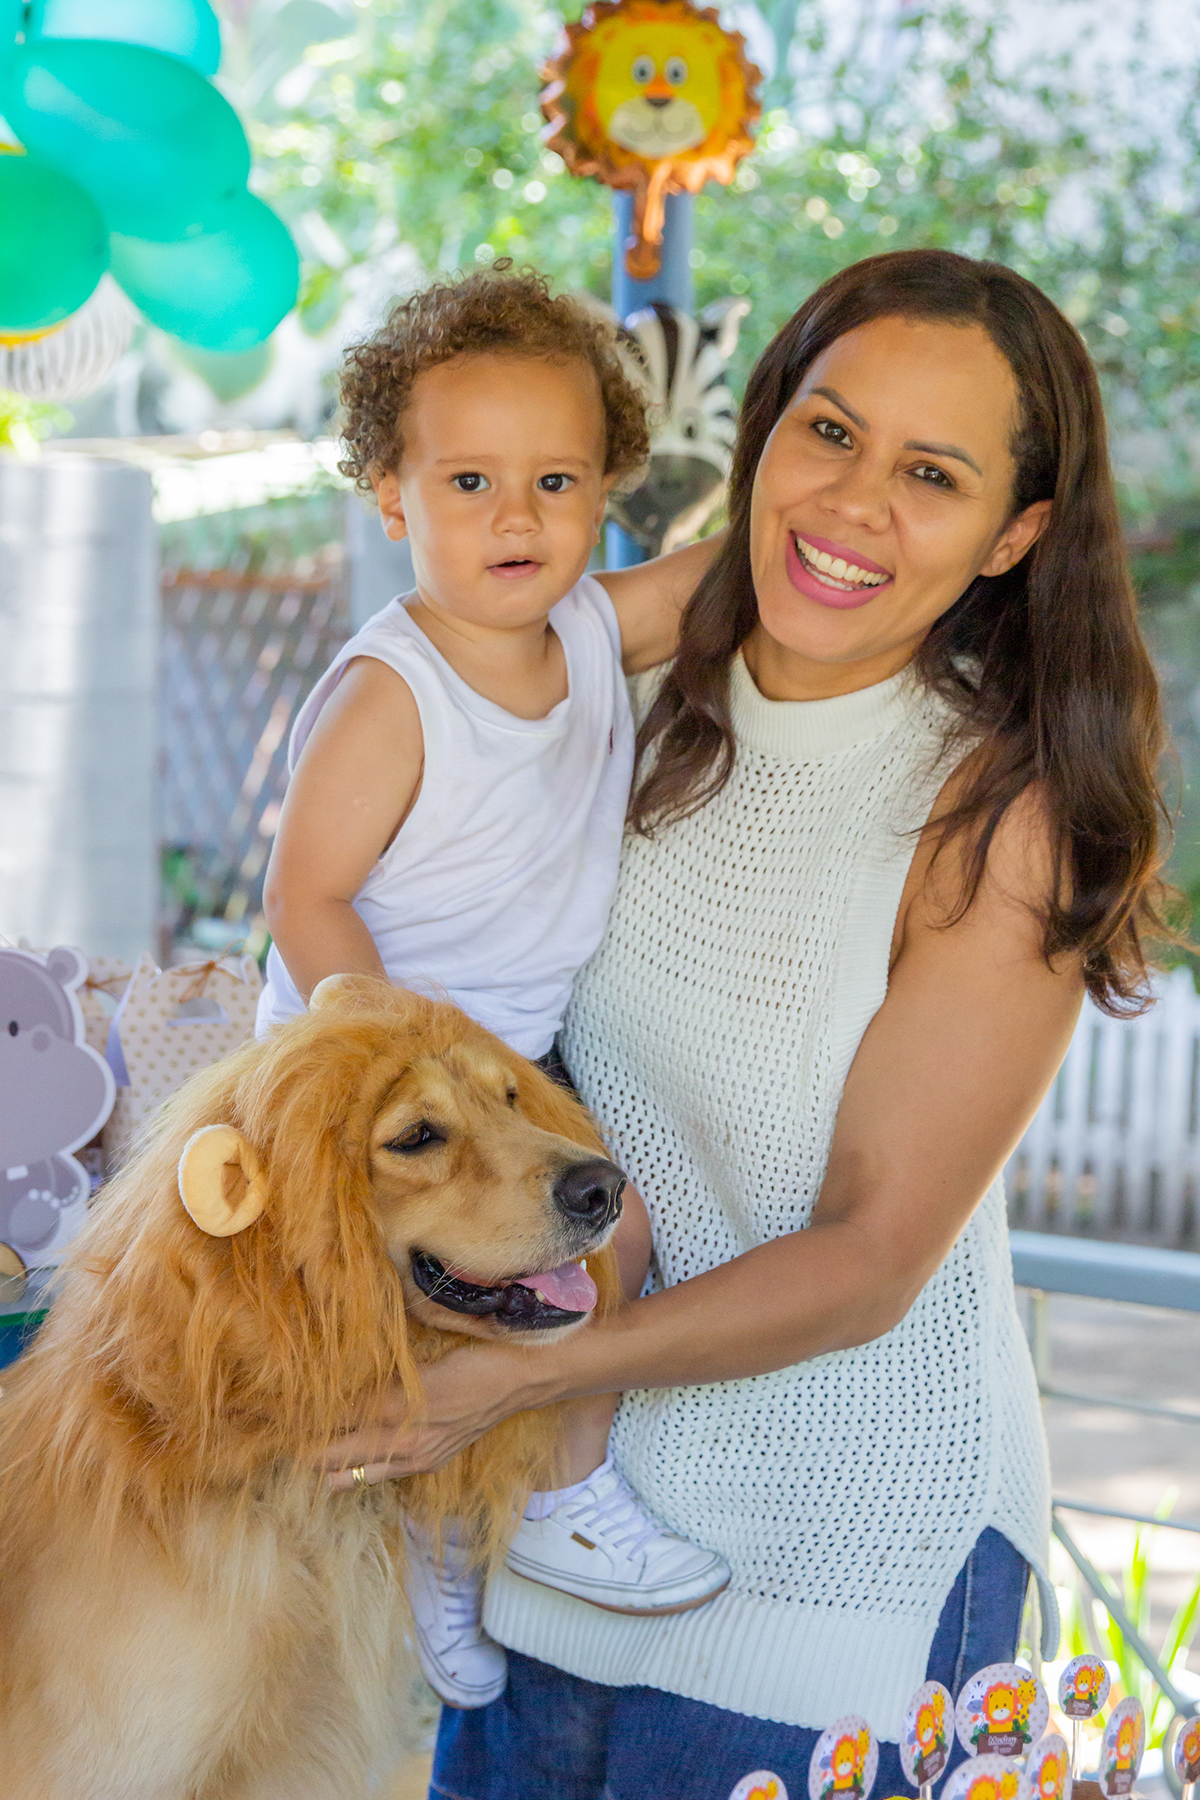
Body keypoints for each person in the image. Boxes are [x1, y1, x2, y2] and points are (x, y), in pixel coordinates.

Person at [320, 249, 1177, 1800]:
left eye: (933, 473)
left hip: (836, 1587)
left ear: (1015, 535)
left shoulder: (1000, 817)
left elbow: (866, 1256)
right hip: (557, 1538)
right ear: (766, 429)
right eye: (830, 431)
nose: (855, 504)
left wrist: (523, 1376)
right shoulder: (606, 708)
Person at [258, 267, 730, 1709]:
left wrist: (818, 484)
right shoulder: (392, 690)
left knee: (571, 1263)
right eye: (468, 480)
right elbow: (305, 898)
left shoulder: (587, 625)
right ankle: (477, 1531)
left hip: (501, 1063)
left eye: (556, 479)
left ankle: (510, 1514)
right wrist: (410, 1063)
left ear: (609, 492)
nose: (515, 516)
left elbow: (726, 573)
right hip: (377, 1062)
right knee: (473, 1288)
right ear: (389, 497)